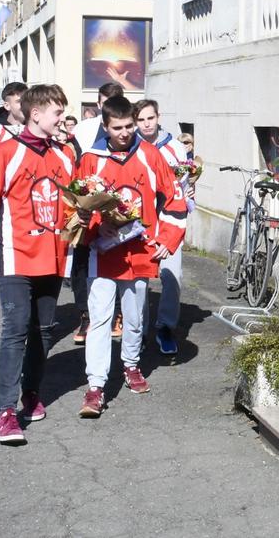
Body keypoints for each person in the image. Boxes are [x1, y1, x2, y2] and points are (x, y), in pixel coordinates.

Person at [0, 84, 74, 445]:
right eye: (58, 112)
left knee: (43, 331)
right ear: (36, 113)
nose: (62, 119)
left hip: (53, 257)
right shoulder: (5, 152)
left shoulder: (64, 156)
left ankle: (32, 392)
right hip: (13, 256)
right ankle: (5, 411)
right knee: (14, 329)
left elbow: (75, 206)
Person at [76, 96, 188, 417]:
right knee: (99, 317)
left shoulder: (151, 155)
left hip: (141, 251)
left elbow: (175, 199)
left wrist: (168, 239)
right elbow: (78, 205)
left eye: (129, 126)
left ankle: (131, 364)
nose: (125, 133)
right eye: (117, 128)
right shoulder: (90, 159)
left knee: (135, 315)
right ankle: (96, 386)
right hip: (103, 253)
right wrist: (89, 224)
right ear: (105, 126)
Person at [69, 81, 125, 343]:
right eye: (105, 101)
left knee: (115, 262)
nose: (108, 105)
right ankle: (85, 316)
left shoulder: (124, 129)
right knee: (80, 263)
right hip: (86, 207)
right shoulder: (83, 129)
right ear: (98, 102)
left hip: (116, 211)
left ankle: (116, 314)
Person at [134, 98, 190, 356]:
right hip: (139, 220)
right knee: (139, 279)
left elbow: (185, 180)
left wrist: (187, 195)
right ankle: (139, 330)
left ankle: (166, 326)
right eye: (141, 120)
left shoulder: (175, 147)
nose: (146, 124)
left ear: (158, 117)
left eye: (150, 118)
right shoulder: (130, 146)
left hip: (168, 219)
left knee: (172, 275)